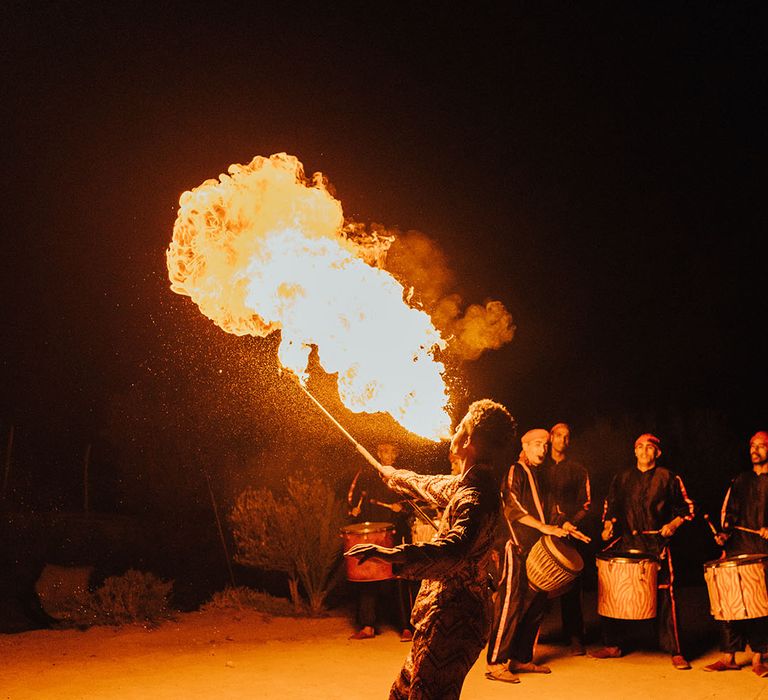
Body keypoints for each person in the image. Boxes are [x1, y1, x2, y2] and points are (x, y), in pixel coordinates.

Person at [345, 399, 517, 699]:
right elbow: (431, 485)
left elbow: (451, 553)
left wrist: (392, 555)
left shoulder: (476, 496)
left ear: (470, 440)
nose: (454, 431)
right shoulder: (470, 484)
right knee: (402, 695)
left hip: (455, 622)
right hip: (444, 617)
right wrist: (395, 476)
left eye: (461, 426)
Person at [485, 428, 584, 683]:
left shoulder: (542, 476)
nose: (542, 449)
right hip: (513, 545)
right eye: (537, 445)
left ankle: (521, 657)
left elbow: (552, 509)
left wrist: (564, 525)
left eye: (545, 445)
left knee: (536, 603)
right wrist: (543, 527)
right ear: (525, 447)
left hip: (536, 548)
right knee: (511, 601)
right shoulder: (514, 471)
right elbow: (511, 507)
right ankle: (496, 662)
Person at [590, 433, 695, 670]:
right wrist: (608, 526)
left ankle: (676, 651)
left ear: (657, 453)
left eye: (649, 448)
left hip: (656, 544)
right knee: (613, 590)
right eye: (639, 447)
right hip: (627, 542)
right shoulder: (623, 478)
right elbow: (611, 506)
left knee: (666, 594)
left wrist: (673, 525)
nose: (644, 451)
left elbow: (688, 508)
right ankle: (612, 645)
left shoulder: (668, 477)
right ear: (634, 451)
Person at [704, 431, 768, 676]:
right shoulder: (740, 480)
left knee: (759, 604)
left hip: (764, 551)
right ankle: (728, 657)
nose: (755, 450)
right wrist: (724, 534)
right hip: (738, 547)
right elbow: (728, 514)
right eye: (752, 445)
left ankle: (758, 659)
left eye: (761, 446)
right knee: (728, 601)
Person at [347, 442, 413, 641]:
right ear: (377, 453)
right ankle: (368, 626)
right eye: (384, 451)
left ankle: (406, 627)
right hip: (371, 534)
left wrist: (402, 509)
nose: (387, 454)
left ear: (396, 454)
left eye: (392, 451)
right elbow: (352, 497)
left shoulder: (402, 477)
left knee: (399, 581)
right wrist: (353, 510)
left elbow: (414, 503)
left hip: (395, 534)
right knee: (368, 579)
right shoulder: (366, 475)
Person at [539, 422, 591, 655]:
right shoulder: (538, 467)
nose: (563, 440)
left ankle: (574, 636)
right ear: (551, 438)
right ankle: (533, 635)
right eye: (559, 436)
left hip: (570, 534)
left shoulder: (578, 470)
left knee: (571, 587)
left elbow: (586, 504)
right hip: (542, 532)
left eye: (567, 437)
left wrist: (572, 523)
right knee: (539, 584)